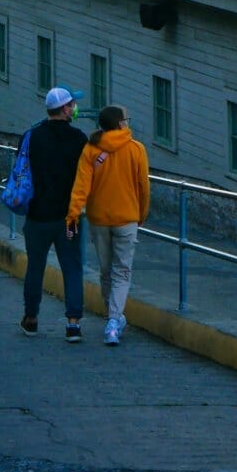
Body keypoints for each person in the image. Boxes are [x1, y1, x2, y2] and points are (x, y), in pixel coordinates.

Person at [66, 105, 150, 346]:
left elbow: (81, 186)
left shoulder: (91, 149)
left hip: (99, 219)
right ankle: (114, 321)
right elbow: (143, 187)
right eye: (127, 119)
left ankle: (113, 316)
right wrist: (140, 215)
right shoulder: (136, 149)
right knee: (122, 271)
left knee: (106, 271)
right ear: (120, 123)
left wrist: (72, 216)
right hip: (127, 218)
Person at [18, 86, 87, 342]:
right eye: (72, 104)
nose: (74, 108)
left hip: (37, 214)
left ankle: (31, 318)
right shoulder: (79, 139)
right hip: (68, 216)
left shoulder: (32, 136)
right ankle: (73, 324)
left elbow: (22, 169)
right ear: (65, 109)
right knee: (72, 268)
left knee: (35, 267)